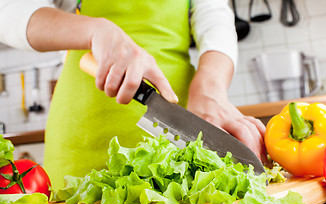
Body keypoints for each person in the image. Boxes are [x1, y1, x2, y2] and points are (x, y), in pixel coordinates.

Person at [0, 0, 266, 190]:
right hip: (80, 129)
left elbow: (215, 17)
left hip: (179, 122)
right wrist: (93, 31)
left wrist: (210, 89)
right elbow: (9, 11)